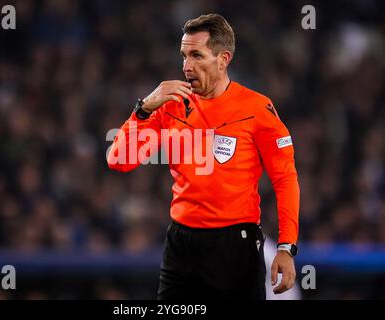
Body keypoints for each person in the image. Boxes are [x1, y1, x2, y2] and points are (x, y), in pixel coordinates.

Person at [107, 13, 300, 300]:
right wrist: (143, 109)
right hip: (180, 243)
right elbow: (119, 160)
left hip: (235, 246)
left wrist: (286, 247)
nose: (186, 66)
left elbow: (285, 179)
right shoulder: (169, 104)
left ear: (223, 59)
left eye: (197, 55)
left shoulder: (257, 109)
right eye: (184, 55)